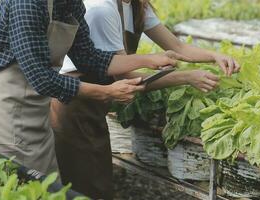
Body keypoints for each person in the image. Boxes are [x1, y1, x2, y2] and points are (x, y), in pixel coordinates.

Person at [0, 0, 183, 176]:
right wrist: (107, 92)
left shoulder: (70, 3)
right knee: (6, 186)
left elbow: (89, 57)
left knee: (46, 189)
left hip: (37, 117)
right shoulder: (27, 3)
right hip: (2, 115)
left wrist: (147, 60)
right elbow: (42, 78)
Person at [51, 0, 241, 199]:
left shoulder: (136, 5)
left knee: (95, 181)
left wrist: (215, 55)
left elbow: (177, 46)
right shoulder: (102, 10)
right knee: (84, 186)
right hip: (74, 104)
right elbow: (125, 76)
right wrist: (186, 77)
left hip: (96, 102)